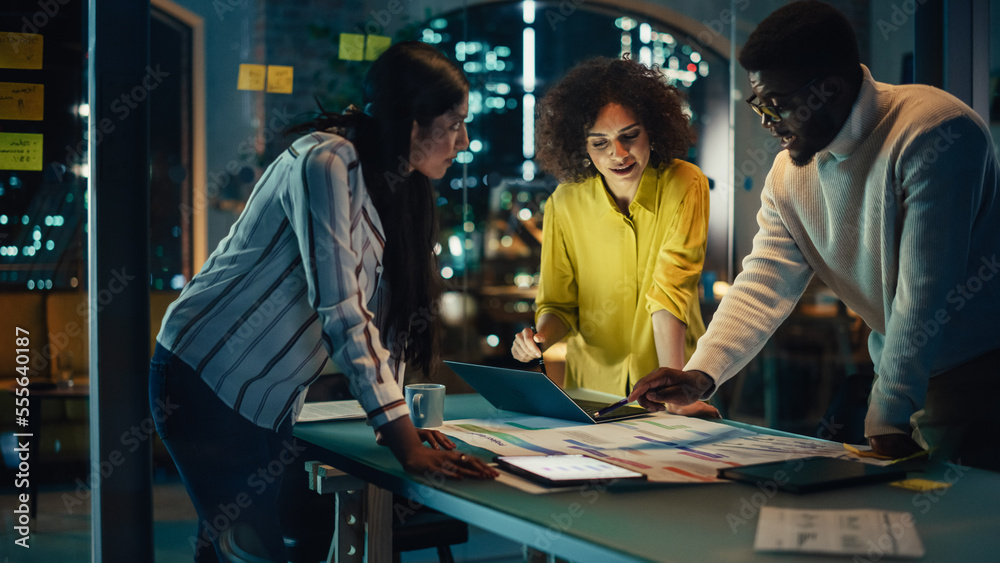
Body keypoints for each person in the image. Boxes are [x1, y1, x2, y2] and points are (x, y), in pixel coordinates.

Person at [150, 41, 497, 562]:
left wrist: (403, 423)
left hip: (269, 398)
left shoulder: (402, 186)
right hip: (204, 377)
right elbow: (342, 309)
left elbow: (389, 320)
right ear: (408, 120)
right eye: (451, 124)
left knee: (237, 545)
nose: (462, 141)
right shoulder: (326, 160)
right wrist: (403, 440)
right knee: (252, 548)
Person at [629, 1, 1000, 470]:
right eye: (756, 102)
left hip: (980, 374)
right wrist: (701, 374)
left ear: (829, 89)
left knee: (962, 528)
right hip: (900, 369)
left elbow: (922, 295)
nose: (765, 120)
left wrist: (886, 418)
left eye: (776, 104)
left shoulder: (934, 132)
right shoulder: (790, 172)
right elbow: (763, 283)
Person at [510, 56, 718, 418]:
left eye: (629, 136)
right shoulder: (565, 201)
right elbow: (558, 304)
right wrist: (538, 339)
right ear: (582, 146)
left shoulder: (685, 183)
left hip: (671, 385)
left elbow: (671, 290)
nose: (618, 154)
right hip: (591, 391)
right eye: (599, 143)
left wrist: (676, 394)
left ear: (652, 127)